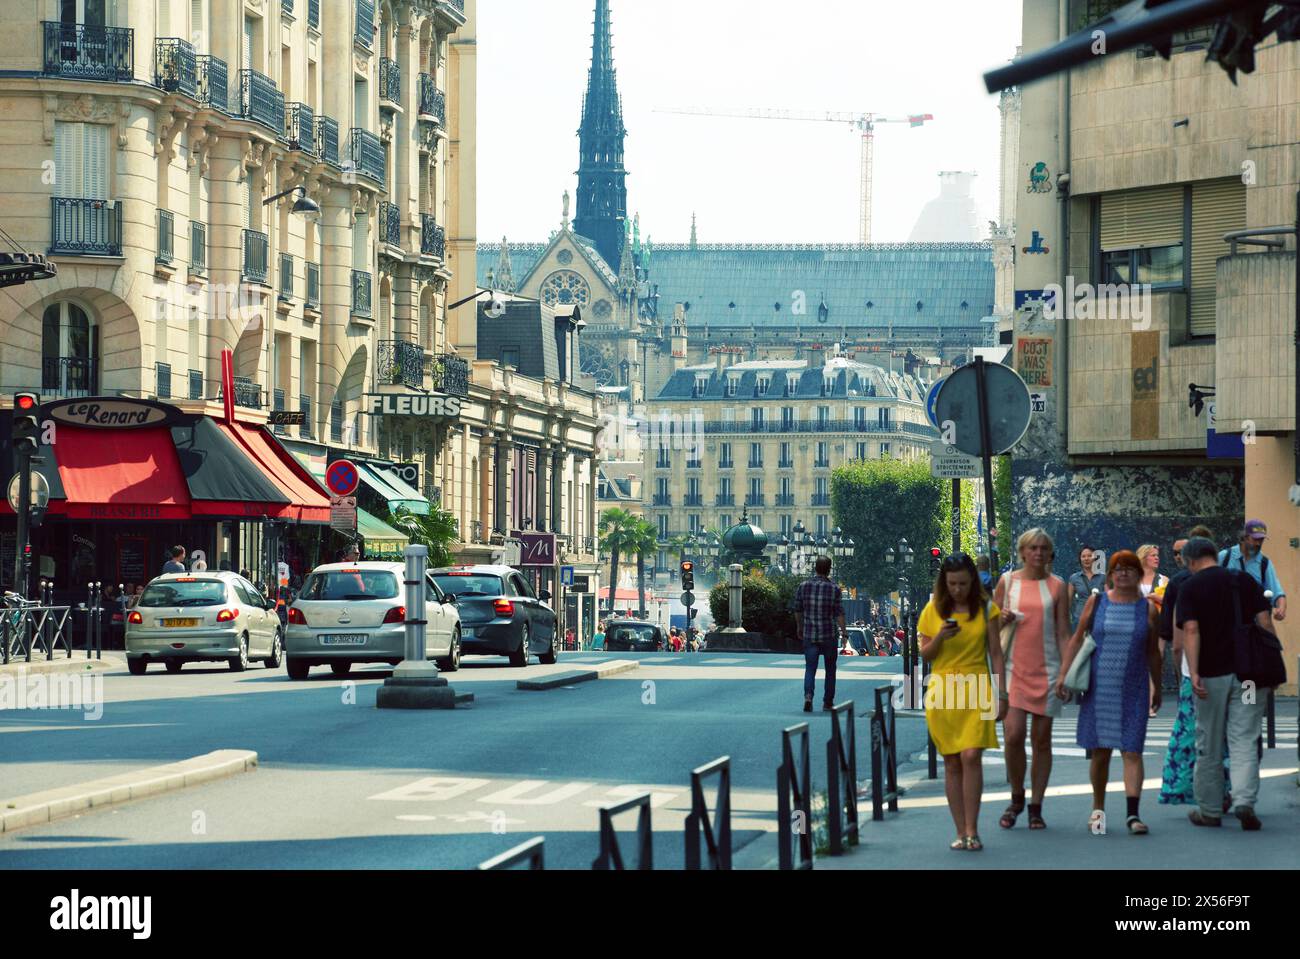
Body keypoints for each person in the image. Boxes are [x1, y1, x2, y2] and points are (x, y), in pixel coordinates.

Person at [1055, 550, 1161, 836]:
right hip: (1099, 690)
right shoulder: (1097, 601)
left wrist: (1158, 687)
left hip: (1135, 689)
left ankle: (1133, 815)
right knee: (1100, 753)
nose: (1123, 573)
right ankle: (1098, 810)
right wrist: (1063, 676)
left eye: (1129, 568)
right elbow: (1077, 638)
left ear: (1138, 574)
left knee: (1132, 751)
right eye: (1118, 569)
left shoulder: (1148, 609)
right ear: (1111, 575)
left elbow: (1153, 652)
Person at [1178, 536, 1276, 830]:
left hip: (1212, 677)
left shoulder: (1191, 587)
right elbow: (1265, 622)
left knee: (1208, 739)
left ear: (1191, 561)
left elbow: (1192, 630)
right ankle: (1244, 801)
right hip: (1248, 678)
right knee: (1244, 737)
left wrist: (1194, 672)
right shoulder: (1243, 581)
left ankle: (1209, 810)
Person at [917, 552, 1006, 851]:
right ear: (944, 582)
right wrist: (941, 635)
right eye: (952, 583)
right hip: (943, 690)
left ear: (973, 581)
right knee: (953, 762)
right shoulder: (933, 609)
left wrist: (1001, 693)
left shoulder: (986, 608)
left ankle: (973, 828)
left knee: (971, 756)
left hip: (977, 686)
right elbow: (926, 654)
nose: (958, 589)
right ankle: (960, 832)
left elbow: (996, 653)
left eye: (963, 583)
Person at [993, 528, 1070, 831]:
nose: (1038, 553)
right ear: (1022, 551)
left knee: (1042, 741)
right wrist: (1000, 618)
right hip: (1013, 669)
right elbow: (991, 624)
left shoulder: (1058, 587)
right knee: (1012, 736)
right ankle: (1016, 796)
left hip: (1048, 669)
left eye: (1043, 548)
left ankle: (1036, 806)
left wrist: (1065, 672)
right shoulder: (1007, 581)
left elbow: (1064, 632)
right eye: (1033, 548)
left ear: (1050, 553)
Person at [1159, 528, 1231, 808]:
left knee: (1194, 734)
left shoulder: (1182, 584)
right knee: (1231, 732)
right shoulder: (1237, 580)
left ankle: (1197, 795)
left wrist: (1182, 674)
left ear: (1189, 559)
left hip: (1197, 672)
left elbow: (1179, 639)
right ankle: (1232, 791)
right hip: (1234, 672)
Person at [794, 555, 847, 712]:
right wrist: (844, 632)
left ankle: (808, 696)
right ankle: (827, 702)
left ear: (815, 568)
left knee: (810, 668)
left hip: (810, 634)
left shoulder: (803, 586)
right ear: (829, 570)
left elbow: (797, 609)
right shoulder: (834, 589)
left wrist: (799, 626)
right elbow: (839, 613)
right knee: (830, 669)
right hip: (829, 634)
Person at [1219, 520, 1286, 622]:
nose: (1258, 543)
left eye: (1261, 540)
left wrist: (1281, 608)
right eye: (1255, 539)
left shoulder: (1264, 563)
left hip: (1253, 625)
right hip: (1225, 621)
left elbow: (1277, 592)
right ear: (1244, 538)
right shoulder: (1224, 557)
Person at [1066, 545, 1105, 632]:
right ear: (1080, 559)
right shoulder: (1074, 578)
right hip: (1079, 620)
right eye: (1083, 556)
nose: (1086, 558)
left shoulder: (1103, 577)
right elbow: (1068, 600)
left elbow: (1109, 598)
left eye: (1089, 556)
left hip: (1099, 619)